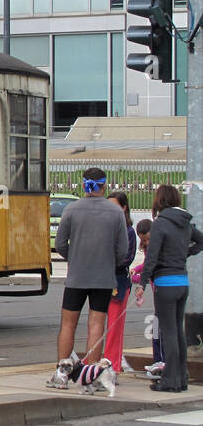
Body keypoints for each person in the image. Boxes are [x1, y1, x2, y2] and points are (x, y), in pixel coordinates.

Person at [50, 166, 126, 387]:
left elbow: (60, 244)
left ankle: (61, 375)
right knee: (96, 324)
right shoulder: (116, 213)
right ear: (105, 185)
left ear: (83, 185)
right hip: (103, 277)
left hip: (77, 276)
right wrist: (108, 262)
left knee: (68, 324)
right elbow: (122, 251)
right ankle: (91, 377)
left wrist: (74, 256)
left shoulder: (72, 209)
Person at [141, 182, 201, 393]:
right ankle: (182, 378)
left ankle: (170, 381)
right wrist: (186, 253)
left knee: (168, 333)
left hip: (165, 284)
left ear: (159, 200)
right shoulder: (185, 223)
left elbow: (153, 256)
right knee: (178, 332)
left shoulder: (160, 223)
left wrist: (143, 282)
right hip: (182, 282)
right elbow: (201, 241)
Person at [106, 191, 138, 375]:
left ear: (124, 208)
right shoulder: (106, 227)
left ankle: (113, 365)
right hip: (102, 281)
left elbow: (126, 258)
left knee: (114, 328)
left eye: (115, 206)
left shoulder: (128, 231)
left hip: (117, 282)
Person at [131, 218, 167, 379]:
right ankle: (158, 360)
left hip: (162, 291)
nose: (146, 242)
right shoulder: (148, 248)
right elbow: (147, 265)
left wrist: (138, 279)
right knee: (157, 329)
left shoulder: (159, 247)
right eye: (143, 240)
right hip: (157, 293)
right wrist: (137, 269)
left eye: (147, 238)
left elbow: (150, 271)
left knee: (159, 329)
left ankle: (161, 361)